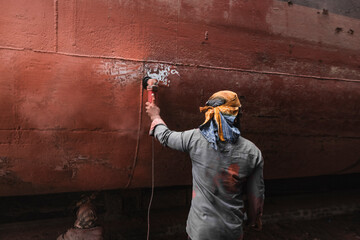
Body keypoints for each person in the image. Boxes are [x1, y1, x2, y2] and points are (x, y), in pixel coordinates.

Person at [145, 90, 264, 240]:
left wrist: (155, 116)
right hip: (232, 232)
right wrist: (254, 220)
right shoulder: (252, 152)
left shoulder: (195, 139)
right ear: (237, 115)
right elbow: (256, 196)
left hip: (201, 231)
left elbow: (165, 136)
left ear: (210, 114)